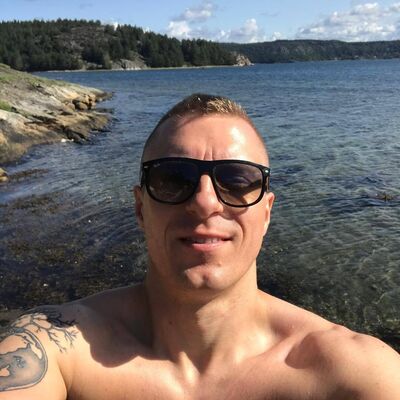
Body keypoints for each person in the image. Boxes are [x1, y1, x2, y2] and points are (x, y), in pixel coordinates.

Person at [0, 93, 399, 399]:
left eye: (237, 180)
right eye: (173, 178)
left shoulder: (354, 374)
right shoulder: (56, 349)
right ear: (140, 209)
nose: (205, 202)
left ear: (266, 213)